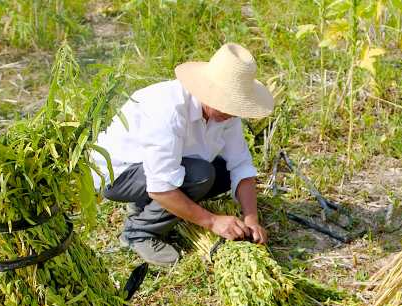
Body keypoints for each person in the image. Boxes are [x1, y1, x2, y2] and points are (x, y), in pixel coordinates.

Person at [91, 43, 274, 266]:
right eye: (228, 106)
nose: (232, 113)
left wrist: (251, 218)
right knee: (202, 175)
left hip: (157, 166)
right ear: (210, 93)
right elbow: (161, 186)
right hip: (117, 174)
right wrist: (212, 222)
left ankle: (144, 206)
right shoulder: (167, 110)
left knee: (222, 173)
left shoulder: (226, 114)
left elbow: (240, 164)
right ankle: (138, 232)